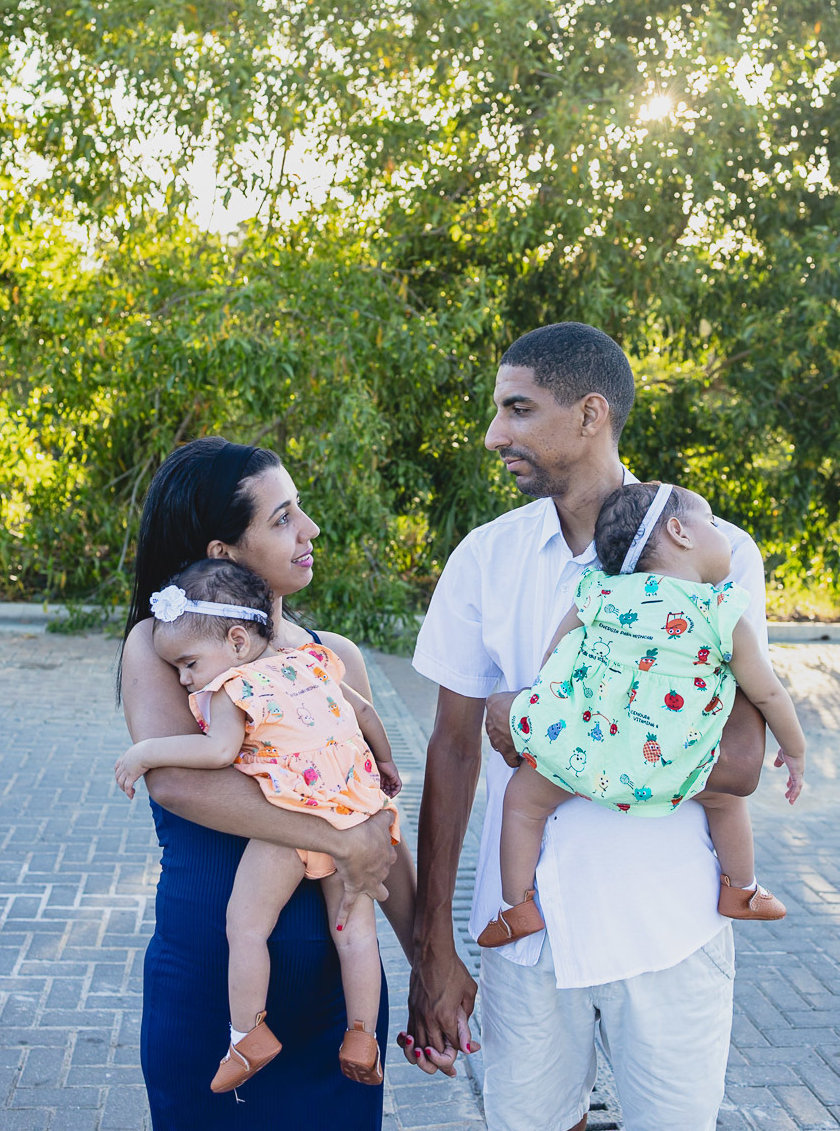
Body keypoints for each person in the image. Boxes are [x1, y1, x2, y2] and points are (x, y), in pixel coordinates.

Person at [402, 323, 771, 1131]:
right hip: (522, 944)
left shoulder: (717, 553)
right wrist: (431, 946)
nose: (496, 434)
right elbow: (454, 750)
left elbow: (742, 764)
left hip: (668, 927)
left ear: (590, 413)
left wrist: (538, 732)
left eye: (518, 409)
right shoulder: (484, 558)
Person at [120, 437, 407, 1130]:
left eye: (299, 510)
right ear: (223, 553)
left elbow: (377, 810)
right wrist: (336, 835)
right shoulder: (163, 649)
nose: (310, 530)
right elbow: (180, 787)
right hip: (212, 997)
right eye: (283, 518)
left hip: (340, 1005)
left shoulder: (334, 657)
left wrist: (432, 958)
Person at [477, 480, 805, 950]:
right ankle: (741, 889)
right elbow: (769, 694)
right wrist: (795, 749)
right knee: (726, 802)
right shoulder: (720, 612)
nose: (721, 533)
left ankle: (517, 908)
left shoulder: (600, 593)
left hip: (586, 751)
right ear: (680, 531)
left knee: (522, 803)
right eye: (711, 521)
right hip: (678, 758)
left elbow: (555, 659)